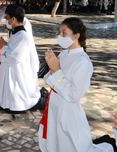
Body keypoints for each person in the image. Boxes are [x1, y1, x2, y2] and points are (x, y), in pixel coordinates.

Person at [38, 17, 112, 152]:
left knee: (70, 143)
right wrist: (50, 67)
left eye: (63, 33)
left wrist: (56, 70)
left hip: (67, 108)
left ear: (76, 35)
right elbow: (49, 78)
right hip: (54, 102)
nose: (60, 36)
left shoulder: (83, 62)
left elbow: (74, 94)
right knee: (53, 137)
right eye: (59, 32)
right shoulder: (64, 53)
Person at [0, 5, 41, 112]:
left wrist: (3, 46)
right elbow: (13, 48)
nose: (5, 19)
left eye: (7, 17)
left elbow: (15, 57)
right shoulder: (16, 33)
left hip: (16, 70)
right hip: (8, 67)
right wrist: (5, 44)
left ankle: (16, 105)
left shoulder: (23, 36)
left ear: (13, 19)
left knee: (14, 88)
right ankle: (2, 102)